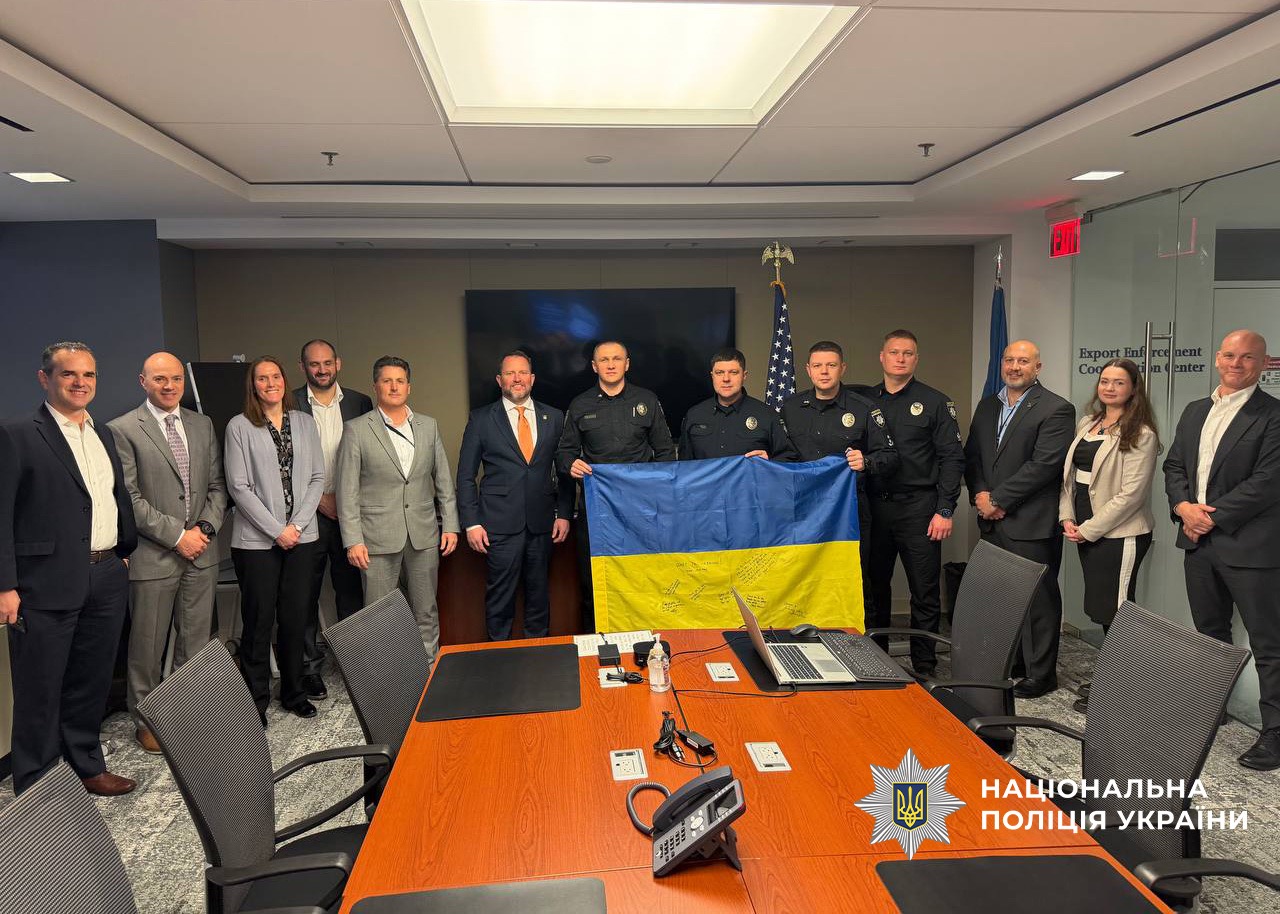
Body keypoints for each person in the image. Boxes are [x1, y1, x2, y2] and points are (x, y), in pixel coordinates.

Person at [0, 341, 138, 796]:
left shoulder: (102, 435)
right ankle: (38, 787)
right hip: (44, 583)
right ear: (46, 379)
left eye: (89, 375)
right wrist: (6, 586)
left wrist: (122, 549)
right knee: (40, 689)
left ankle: (86, 765)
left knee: (91, 681)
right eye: (69, 375)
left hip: (105, 576)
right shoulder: (18, 434)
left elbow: (111, 497)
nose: (81, 383)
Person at [1164, 329, 1280, 770]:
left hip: (1251, 547)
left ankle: (1275, 733)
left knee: (1270, 645)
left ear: (1264, 364)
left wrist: (1209, 516)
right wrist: (1182, 507)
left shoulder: (1272, 416)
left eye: (1247, 357)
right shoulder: (1196, 411)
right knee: (1210, 636)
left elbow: (1268, 482)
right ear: (1217, 359)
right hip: (1199, 544)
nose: (1236, 363)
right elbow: (1174, 465)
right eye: (1230, 355)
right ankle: (1212, 713)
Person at [108, 352, 228, 753]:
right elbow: (130, 499)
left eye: (176, 378)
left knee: (194, 642)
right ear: (142, 381)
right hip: (155, 554)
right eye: (160, 379)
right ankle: (146, 719)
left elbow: (217, 485)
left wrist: (204, 529)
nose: (170, 385)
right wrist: (179, 536)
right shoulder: (123, 429)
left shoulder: (201, 423)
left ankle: (184, 715)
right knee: (147, 644)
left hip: (202, 551)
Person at [964, 340, 1075, 698]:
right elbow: (974, 457)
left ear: (1037, 367)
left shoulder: (1057, 409)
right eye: (1009, 360)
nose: (1015, 366)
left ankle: (1041, 674)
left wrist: (999, 499)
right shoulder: (986, 406)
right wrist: (981, 495)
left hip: (1030, 520)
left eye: (1023, 361)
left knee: (1037, 600)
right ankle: (1011, 664)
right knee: (1001, 597)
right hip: (991, 519)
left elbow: (1044, 466)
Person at [337, 356, 459, 663]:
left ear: (409, 386)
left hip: (423, 534)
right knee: (378, 615)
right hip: (376, 538)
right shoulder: (356, 430)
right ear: (376, 386)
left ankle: (428, 668)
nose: (394, 386)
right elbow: (347, 490)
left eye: (400, 381)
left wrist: (451, 526)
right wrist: (353, 540)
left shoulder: (428, 426)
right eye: (387, 381)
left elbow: (443, 479)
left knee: (426, 608)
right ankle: (385, 680)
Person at [223, 357, 326, 723]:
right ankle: (256, 701)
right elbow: (238, 486)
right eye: (262, 378)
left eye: (276, 376)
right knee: (259, 620)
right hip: (256, 543)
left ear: (285, 381)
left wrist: (296, 527)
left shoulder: (304, 422)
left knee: (296, 618)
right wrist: (276, 530)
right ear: (253, 385)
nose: (270, 383)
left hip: (302, 537)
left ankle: (294, 693)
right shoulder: (239, 426)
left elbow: (317, 477)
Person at [858, 330, 963, 676]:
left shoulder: (935, 402)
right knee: (874, 589)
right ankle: (876, 660)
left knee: (924, 591)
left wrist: (945, 509)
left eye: (908, 353)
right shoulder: (864, 402)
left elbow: (952, 459)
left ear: (916, 360)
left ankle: (924, 667)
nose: (900, 358)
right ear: (882, 357)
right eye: (894, 352)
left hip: (920, 508)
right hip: (876, 507)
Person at [1058, 358, 1158, 713]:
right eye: (1105, 381)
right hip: (1085, 526)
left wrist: (1089, 529)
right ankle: (1113, 679)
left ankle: (1122, 690)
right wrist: (1068, 517)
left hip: (1119, 532)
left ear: (1133, 388)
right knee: (1101, 608)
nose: (1110, 388)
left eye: (1118, 382)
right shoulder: (1089, 422)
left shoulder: (1141, 433)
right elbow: (1070, 477)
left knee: (1117, 610)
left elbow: (1132, 495)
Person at [555, 340, 676, 631]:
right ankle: (594, 653)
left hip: (642, 514)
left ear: (627, 364)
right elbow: (564, 453)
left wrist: (656, 494)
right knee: (594, 586)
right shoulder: (580, 404)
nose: (611, 365)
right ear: (594, 366)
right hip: (596, 515)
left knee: (642, 582)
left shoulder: (647, 400)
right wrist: (570, 464)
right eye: (604, 360)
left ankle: (646, 646)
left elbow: (665, 453)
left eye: (617, 359)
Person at [456, 351, 572, 640]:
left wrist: (565, 513)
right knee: (500, 598)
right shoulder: (481, 419)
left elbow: (566, 470)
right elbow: (465, 476)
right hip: (498, 525)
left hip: (542, 524)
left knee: (539, 596)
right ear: (499, 380)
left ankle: (539, 657)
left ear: (532, 379)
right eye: (510, 373)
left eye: (522, 373)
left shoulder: (554, 417)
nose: (517, 379)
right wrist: (471, 522)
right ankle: (499, 661)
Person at [782, 341, 899, 625]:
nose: (825, 372)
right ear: (808, 370)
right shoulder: (791, 408)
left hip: (850, 511)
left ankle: (866, 653)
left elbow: (890, 455)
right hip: (803, 512)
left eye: (831, 365)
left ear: (842, 368)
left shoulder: (864, 408)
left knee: (856, 579)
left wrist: (867, 462)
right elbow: (781, 455)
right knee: (804, 578)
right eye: (818, 366)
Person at [293, 338, 373, 701]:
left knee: (351, 590)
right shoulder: (290, 402)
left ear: (338, 364)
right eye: (314, 364)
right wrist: (320, 500)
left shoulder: (359, 403)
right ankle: (310, 669)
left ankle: (355, 665)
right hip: (306, 513)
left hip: (350, 512)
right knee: (305, 595)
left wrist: (345, 501)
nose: (321, 370)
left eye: (327, 363)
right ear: (303, 368)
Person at [678, 348, 795, 462]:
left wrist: (769, 461)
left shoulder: (766, 415)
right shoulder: (695, 415)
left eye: (733, 372)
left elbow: (789, 458)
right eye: (719, 373)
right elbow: (684, 467)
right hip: (706, 482)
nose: (726, 379)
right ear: (712, 376)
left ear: (744, 375)